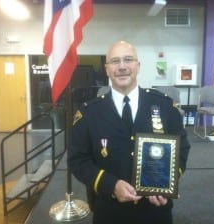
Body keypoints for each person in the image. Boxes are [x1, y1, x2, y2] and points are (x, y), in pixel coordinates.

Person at [69, 40, 190, 224]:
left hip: (155, 211)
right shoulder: (88, 113)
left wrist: (165, 183)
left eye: (128, 60)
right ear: (107, 69)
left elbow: (182, 149)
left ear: (138, 66)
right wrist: (111, 185)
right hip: (109, 211)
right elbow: (78, 160)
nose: (122, 67)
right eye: (115, 61)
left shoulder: (165, 106)